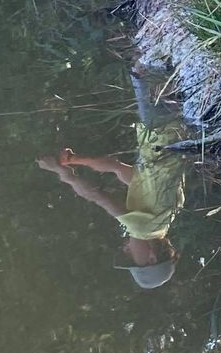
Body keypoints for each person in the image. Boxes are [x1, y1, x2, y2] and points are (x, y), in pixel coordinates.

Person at [35, 72, 187, 290]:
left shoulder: (164, 216)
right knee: (142, 69)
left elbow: (116, 167)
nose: (126, 250)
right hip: (158, 129)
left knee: (159, 70)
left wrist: (76, 160)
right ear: (151, 257)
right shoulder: (143, 228)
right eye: (132, 258)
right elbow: (96, 195)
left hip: (174, 129)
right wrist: (61, 172)